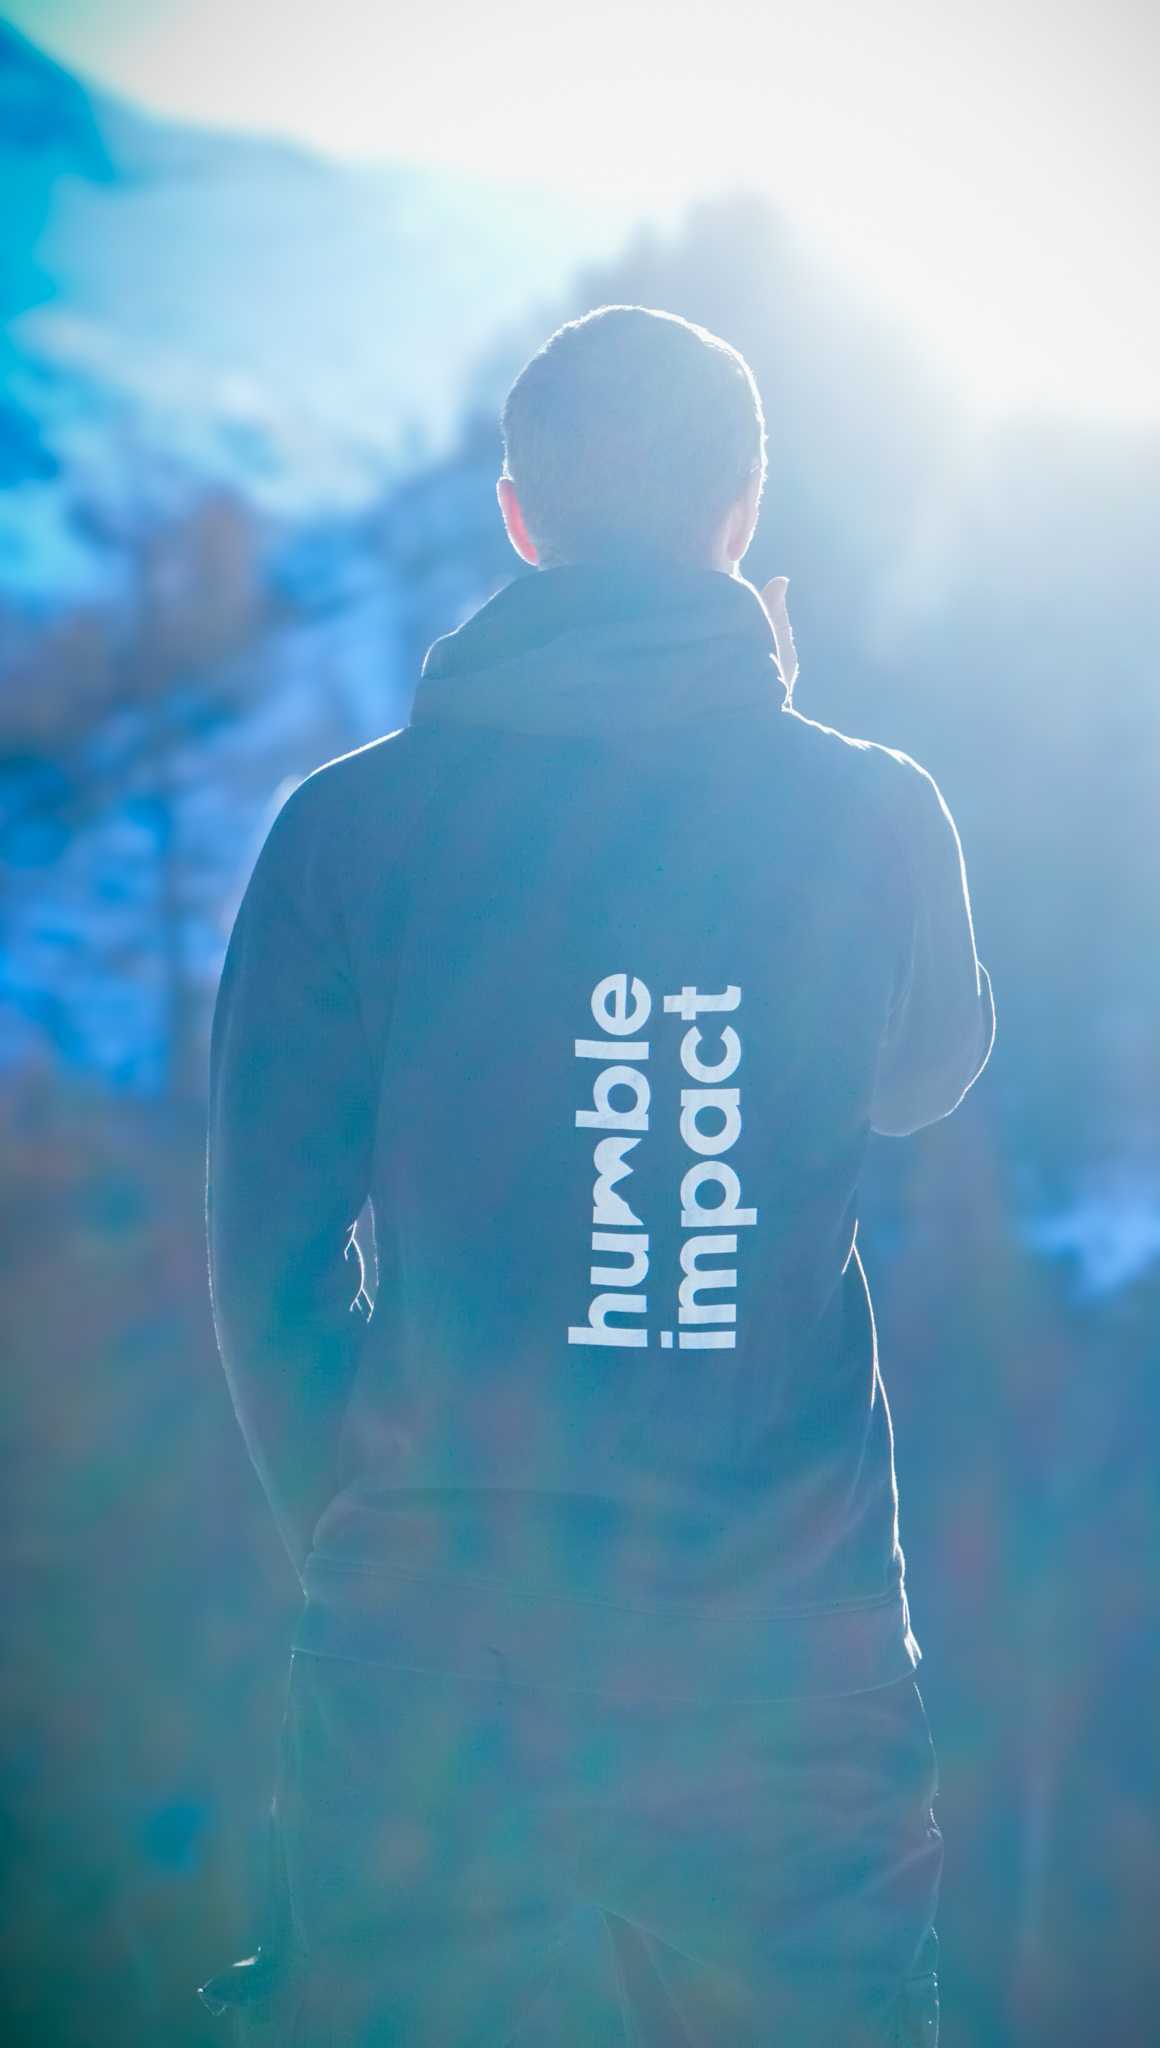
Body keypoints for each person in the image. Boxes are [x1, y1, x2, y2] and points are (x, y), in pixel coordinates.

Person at [200, 304, 994, 2045]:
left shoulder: (350, 827)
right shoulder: (868, 811)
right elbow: (920, 1076)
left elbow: (264, 1254)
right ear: (742, 510)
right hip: (780, 1637)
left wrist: (371, 1534)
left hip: (437, 1631)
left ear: (518, 516)